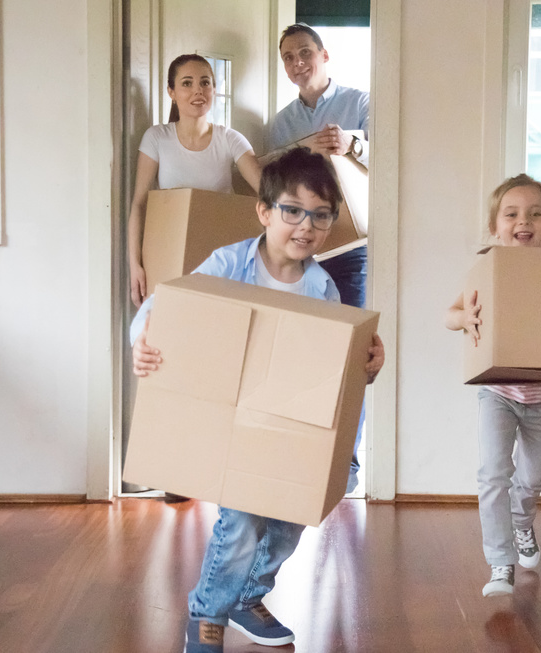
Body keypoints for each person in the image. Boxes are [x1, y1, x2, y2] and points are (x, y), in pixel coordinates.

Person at [130, 148, 385, 653]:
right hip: (235, 418)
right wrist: (144, 339)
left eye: (320, 215)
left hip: (287, 423)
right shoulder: (230, 263)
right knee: (242, 521)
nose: (305, 226)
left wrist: (367, 367)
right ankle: (208, 613)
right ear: (265, 212)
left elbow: (333, 367)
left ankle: (249, 597)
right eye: (292, 211)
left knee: (290, 520)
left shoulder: (322, 287)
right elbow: (168, 306)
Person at [444, 173, 541, 598]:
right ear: (496, 227)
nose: (523, 222)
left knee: (531, 480)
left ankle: (522, 522)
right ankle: (500, 562)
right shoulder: (487, 268)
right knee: (494, 474)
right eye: (511, 214)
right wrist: (467, 319)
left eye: (535, 214)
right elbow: (450, 315)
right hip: (497, 393)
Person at [270, 23, 370, 492]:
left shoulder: (362, 103)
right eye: (289, 56)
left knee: (352, 355)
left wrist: (352, 143)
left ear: (324, 55)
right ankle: (302, 457)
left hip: (351, 249)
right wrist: (302, 148)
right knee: (302, 355)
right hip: (298, 250)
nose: (298, 63)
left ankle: (346, 467)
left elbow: (393, 159)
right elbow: (268, 179)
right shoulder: (281, 124)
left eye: (305, 53)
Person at [127, 53, 262, 307]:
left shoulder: (230, 139)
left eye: (205, 82)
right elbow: (139, 205)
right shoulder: (157, 138)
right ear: (171, 92)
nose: (198, 91)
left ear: (214, 89)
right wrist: (135, 265)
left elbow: (268, 193)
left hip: (221, 261)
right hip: (168, 256)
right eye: (187, 83)